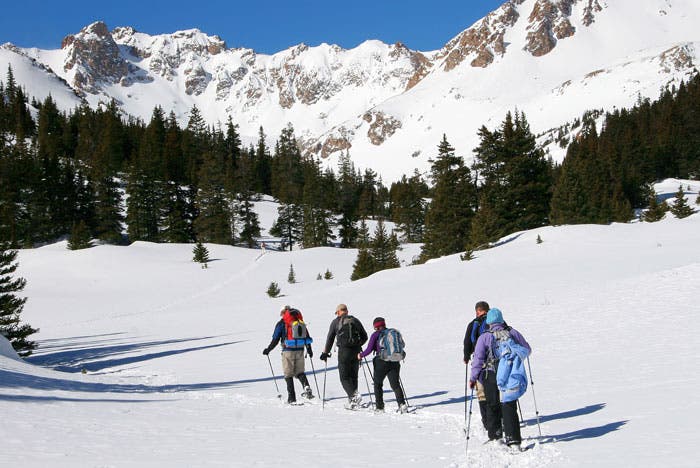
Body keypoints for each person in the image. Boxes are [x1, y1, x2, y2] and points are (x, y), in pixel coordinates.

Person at [469, 308, 531, 448]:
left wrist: (473, 378)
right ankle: (513, 439)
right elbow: (527, 349)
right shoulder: (512, 332)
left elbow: (478, 359)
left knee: (492, 404)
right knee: (509, 404)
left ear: (489, 322)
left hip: (490, 374)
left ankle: (495, 436)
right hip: (509, 373)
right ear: (501, 319)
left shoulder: (484, 337)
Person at [319, 303, 368, 408]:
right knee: (353, 376)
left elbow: (330, 338)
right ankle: (353, 400)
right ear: (346, 311)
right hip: (356, 351)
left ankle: (353, 396)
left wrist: (325, 353)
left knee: (344, 377)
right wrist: (357, 344)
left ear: (338, 312)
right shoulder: (355, 320)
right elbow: (365, 336)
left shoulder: (336, 322)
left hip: (344, 351)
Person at [263, 305, 314, 404]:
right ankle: (306, 387)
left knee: (288, 374)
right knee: (300, 372)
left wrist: (268, 349)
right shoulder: (299, 321)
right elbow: (306, 336)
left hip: (288, 351)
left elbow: (276, 339)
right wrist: (309, 349)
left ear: (283, 313)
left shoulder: (282, 323)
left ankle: (292, 398)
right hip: (300, 349)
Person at [358, 317, 407, 413]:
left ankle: (380, 407)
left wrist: (360, 355)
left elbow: (369, 349)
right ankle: (402, 404)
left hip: (381, 361)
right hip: (394, 360)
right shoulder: (393, 333)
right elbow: (403, 345)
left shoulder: (376, 335)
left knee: (378, 384)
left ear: (376, 326)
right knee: (395, 385)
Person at [463, 300, 490, 429]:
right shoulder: (497, 322)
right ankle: (500, 419)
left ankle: (486, 421)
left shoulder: (473, 323)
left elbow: (467, 341)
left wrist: (466, 356)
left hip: (479, 361)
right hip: (496, 361)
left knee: (481, 392)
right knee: (496, 391)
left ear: (478, 311)